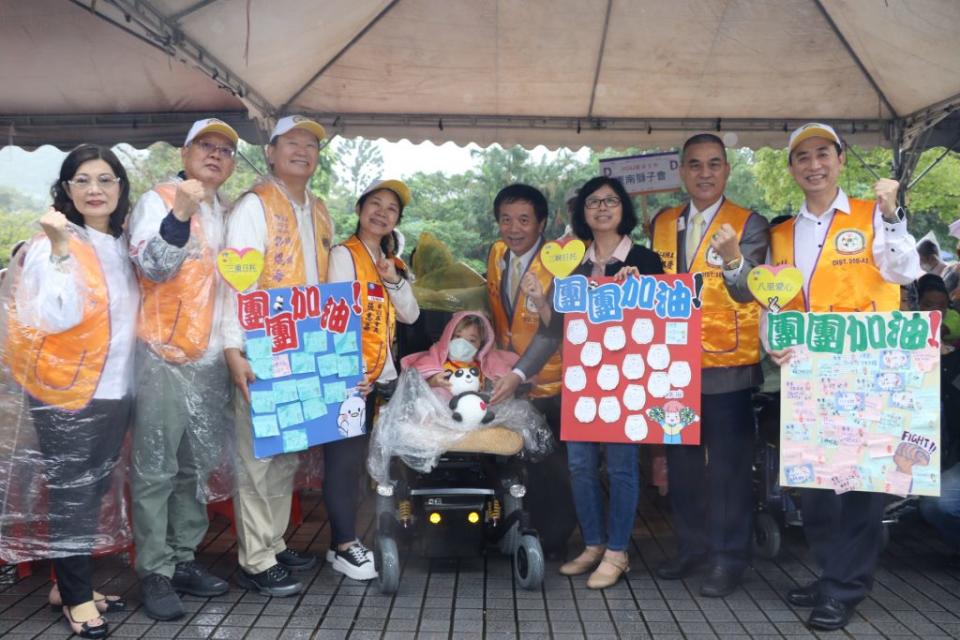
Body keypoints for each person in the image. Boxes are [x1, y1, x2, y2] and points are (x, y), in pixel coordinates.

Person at [768, 122, 921, 631]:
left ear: (840, 161)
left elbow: (904, 272)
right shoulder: (783, 232)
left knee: (860, 486)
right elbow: (775, 298)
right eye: (802, 157)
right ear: (792, 168)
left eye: (822, 155)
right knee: (814, 487)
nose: (813, 165)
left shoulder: (871, 215)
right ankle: (833, 572)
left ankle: (844, 589)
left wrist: (893, 215)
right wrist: (774, 341)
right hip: (810, 378)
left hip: (868, 372)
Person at [4, 145, 137, 638]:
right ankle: (77, 598)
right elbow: (54, 316)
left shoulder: (121, 246)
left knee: (93, 490)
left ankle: (67, 583)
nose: (95, 190)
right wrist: (59, 247)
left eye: (106, 179)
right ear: (65, 189)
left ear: (121, 189)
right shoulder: (52, 244)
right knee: (73, 497)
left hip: (115, 388)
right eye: (82, 180)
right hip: (67, 395)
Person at [525, 176, 663, 588]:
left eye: (611, 201)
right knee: (580, 465)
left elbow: (662, 321)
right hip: (581, 379)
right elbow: (558, 329)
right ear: (582, 212)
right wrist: (538, 301)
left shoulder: (646, 259)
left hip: (627, 380)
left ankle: (618, 551)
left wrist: (640, 290)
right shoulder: (571, 262)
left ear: (624, 209)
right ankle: (594, 543)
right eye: (592, 202)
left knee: (622, 468)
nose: (602, 208)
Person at [649, 133, 770, 597]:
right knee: (681, 465)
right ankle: (692, 547)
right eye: (695, 164)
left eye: (714, 164)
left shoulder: (749, 223)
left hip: (728, 368)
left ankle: (728, 558)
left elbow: (749, 290)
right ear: (682, 171)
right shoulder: (663, 222)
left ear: (727, 171)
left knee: (728, 470)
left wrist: (736, 258)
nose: (704, 173)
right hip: (673, 368)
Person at [126, 119, 238, 620]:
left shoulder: (226, 212)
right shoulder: (160, 199)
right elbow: (151, 266)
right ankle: (155, 570)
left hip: (211, 358)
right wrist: (180, 214)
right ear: (185, 151)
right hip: (162, 355)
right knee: (155, 468)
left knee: (194, 469)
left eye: (226, 150)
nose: (216, 156)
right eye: (206, 146)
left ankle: (183, 558)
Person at [222, 115, 334, 597]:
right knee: (257, 457)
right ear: (270, 151)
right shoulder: (254, 205)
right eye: (292, 142)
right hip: (261, 346)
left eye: (311, 144)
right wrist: (233, 348)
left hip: (305, 346)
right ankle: (255, 559)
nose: (302, 151)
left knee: (286, 453)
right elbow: (234, 280)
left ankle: (273, 539)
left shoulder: (319, 209)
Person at [327, 179, 420, 579]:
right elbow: (334, 316)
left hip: (379, 380)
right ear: (360, 208)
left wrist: (393, 279)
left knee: (363, 460)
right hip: (351, 380)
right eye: (375, 204)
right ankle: (345, 545)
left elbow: (411, 315)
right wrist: (348, 373)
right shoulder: (343, 255)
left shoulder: (391, 263)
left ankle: (345, 540)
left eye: (391, 209)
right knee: (344, 462)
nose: (382, 213)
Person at [485, 183, 578, 558]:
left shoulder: (561, 261)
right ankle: (516, 530)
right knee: (515, 461)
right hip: (509, 381)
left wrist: (520, 373)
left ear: (542, 223)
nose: (514, 228)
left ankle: (553, 542)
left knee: (552, 467)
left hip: (553, 382)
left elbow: (554, 330)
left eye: (524, 219)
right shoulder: (496, 255)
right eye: (506, 220)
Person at [401, 310, 519, 401]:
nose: (463, 343)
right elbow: (415, 383)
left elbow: (504, 378)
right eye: (457, 337)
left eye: (471, 340)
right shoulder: (436, 359)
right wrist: (432, 381)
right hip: (441, 414)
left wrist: (497, 384)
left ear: (481, 345)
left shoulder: (485, 365)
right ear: (448, 337)